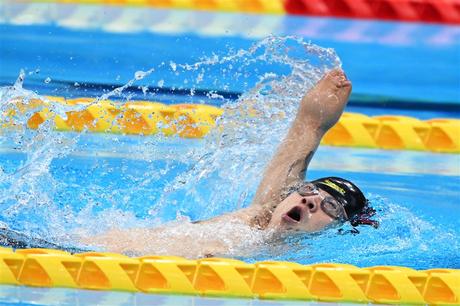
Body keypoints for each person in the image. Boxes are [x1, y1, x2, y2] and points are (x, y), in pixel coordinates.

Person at [1, 69, 376, 257]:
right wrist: (318, 114)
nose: (311, 201)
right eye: (311, 192)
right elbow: (302, 138)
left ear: (339, 228)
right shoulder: (262, 215)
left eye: (329, 206)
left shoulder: (288, 252)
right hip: (59, 249)